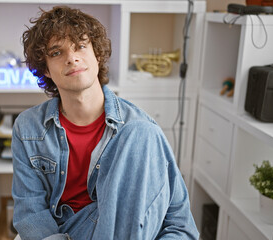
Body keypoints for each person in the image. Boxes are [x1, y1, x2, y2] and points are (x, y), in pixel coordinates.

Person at [12, 6, 199, 240]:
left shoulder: (141, 127)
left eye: (80, 46)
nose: (72, 58)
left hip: (127, 229)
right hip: (66, 231)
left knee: (141, 133)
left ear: (97, 55)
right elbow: (30, 212)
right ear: (46, 69)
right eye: (57, 52)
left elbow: (180, 223)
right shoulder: (28, 128)